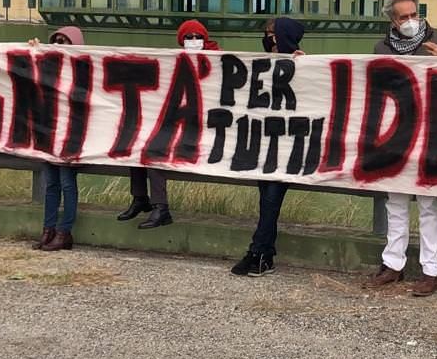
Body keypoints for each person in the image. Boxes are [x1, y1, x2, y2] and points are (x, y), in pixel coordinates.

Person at [365, 0, 437, 297]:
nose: (410, 21)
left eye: (413, 15)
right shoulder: (382, 47)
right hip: (397, 131)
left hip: (432, 130)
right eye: (403, 17)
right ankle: (393, 263)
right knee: (396, 202)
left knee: (429, 203)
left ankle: (430, 269)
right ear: (392, 19)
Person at [117, 21, 216, 229]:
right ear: (181, 40)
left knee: (155, 155)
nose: (194, 41)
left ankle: (161, 207)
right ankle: (140, 198)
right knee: (136, 146)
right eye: (189, 37)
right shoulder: (173, 60)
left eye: (198, 37)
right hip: (179, 124)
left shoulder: (216, 59)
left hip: (201, 129)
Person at [231, 17, 305, 277]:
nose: (269, 38)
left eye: (273, 34)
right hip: (262, 146)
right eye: (266, 34)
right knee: (266, 201)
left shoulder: (303, 64)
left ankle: (257, 252)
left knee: (271, 200)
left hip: (286, 149)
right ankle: (264, 255)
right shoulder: (257, 64)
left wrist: (302, 64)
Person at [27, 26, 86, 251]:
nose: (60, 45)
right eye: (57, 40)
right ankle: (48, 229)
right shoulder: (48, 66)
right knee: (51, 184)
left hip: (70, 135)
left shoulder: (84, 69)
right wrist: (34, 50)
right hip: (48, 133)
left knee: (67, 184)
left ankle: (65, 231)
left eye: (65, 41)